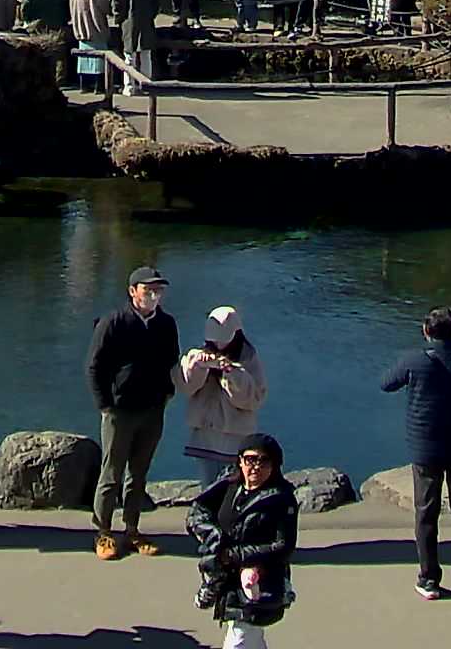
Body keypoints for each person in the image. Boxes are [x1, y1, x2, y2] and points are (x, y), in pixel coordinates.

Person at [384, 305, 451, 600]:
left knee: (426, 513)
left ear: (426, 331)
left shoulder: (414, 360)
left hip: (426, 446)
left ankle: (429, 578)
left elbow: (386, 383)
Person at [88, 265, 183, 560]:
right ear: (133, 291)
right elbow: (95, 366)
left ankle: (131, 530)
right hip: (120, 410)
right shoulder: (114, 322)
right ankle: (103, 531)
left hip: (153, 409)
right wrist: (106, 404)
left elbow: (171, 361)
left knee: (138, 473)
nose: (154, 295)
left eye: (159, 290)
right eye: (148, 290)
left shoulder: (166, 324)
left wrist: (167, 394)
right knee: (111, 472)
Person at [190, 431, 299, 649]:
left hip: (259, 580)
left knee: (240, 636)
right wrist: (214, 539)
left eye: (263, 460)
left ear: (275, 465)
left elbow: (283, 546)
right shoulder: (229, 485)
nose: (255, 466)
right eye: (250, 459)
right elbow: (197, 512)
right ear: (240, 461)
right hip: (224, 576)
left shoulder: (282, 499)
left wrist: (236, 555)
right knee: (249, 636)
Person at [180, 306, 270, 481]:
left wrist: (231, 371)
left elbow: (252, 400)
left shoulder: (249, 358)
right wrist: (198, 367)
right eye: (215, 341)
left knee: (232, 489)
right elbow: (186, 387)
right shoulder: (198, 355)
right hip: (205, 437)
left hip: (235, 439)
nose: (219, 345)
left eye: (223, 340)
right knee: (208, 488)